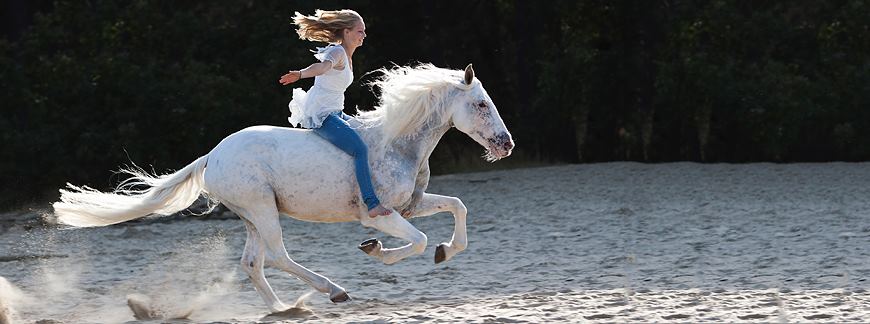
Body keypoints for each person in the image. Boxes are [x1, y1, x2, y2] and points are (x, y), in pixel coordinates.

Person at [278, 9, 392, 218]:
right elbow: (322, 67)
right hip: (322, 115)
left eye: (364, 31)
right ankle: (371, 203)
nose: (363, 35)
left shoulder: (348, 56)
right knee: (360, 149)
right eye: (360, 31)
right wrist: (301, 74)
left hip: (336, 112)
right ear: (347, 32)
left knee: (369, 131)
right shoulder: (337, 52)